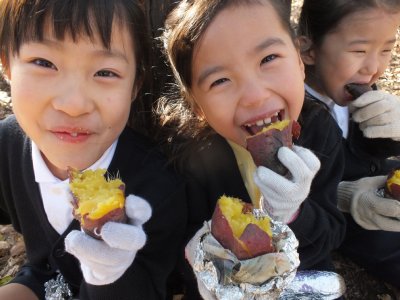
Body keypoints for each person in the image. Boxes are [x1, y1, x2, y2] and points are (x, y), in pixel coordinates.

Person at [156, 0, 346, 298]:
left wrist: (293, 211)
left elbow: (332, 232)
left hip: (301, 274)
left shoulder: (320, 132)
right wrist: (208, 258)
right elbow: (182, 248)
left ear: (299, 60)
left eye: (268, 58)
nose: (255, 97)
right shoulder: (192, 158)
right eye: (220, 80)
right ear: (197, 106)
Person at [0, 0, 186, 299]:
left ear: (135, 85)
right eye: (44, 63)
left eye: (105, 73)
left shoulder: (156, 188)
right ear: (7, 64)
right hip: (42, 282)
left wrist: (109, 270)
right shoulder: (6, 145)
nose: (73, 105)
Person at [297, 0, 400, 288]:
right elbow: (295, 197)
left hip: (377, 183)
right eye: (359, 51)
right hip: (349, 216)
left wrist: (392, 131)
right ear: (309, 50)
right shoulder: (297, 115)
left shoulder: (357, 86)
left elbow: (376, 152)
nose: (373, 67)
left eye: (387, 49)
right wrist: (343, 196)